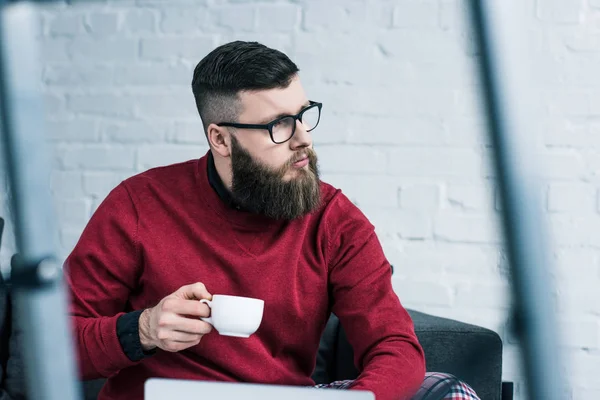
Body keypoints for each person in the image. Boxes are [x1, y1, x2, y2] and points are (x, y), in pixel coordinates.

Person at [65, 41, 479, 400]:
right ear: (221, 139)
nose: (303, 138)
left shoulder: (335, 220)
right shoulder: (138, 205)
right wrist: (143, 330)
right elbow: (48, 347)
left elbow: (395, 347)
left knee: (450, 390)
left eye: (303, 114)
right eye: (278, 125)